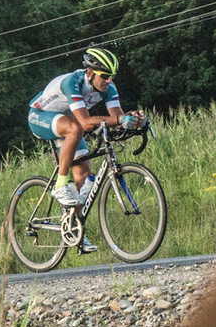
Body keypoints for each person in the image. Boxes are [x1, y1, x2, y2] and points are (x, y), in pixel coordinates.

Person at [27, 46, 135, 211]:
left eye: (112, 77)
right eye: (105, 76)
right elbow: (85, 123)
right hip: (40, 115)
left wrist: (135, 121)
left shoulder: (108, 87)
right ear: (90, 73)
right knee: (76, 128)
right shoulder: (73, 82)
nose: (109, 81)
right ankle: (60, 184)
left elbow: (118, 119)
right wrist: (119, 119)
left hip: (67, 123)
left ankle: (73, 232)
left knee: (84, 178)